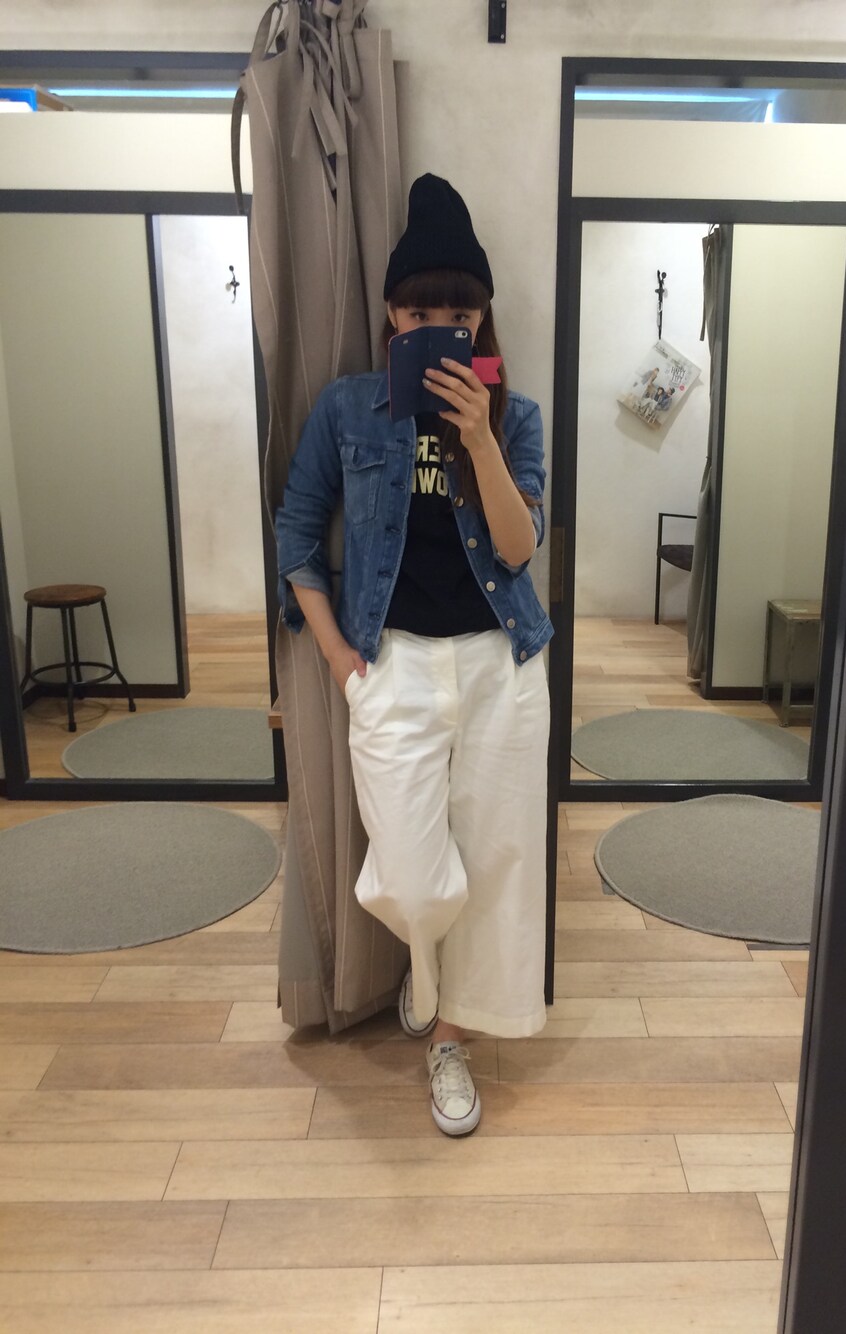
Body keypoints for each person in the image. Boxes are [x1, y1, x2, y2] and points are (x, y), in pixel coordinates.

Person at [274, 175, 553, 1137]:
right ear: (392, 314)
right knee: (411, 875)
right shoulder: (349, 409)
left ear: (482, 320)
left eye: (458, 314)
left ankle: (450, 1038)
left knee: (498, 864)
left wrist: (479, 439)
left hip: (500, 663)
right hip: (390, 663)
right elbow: (297, 534)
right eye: (419, 312)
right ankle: (428, 974)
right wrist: (339, 659)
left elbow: (517, 550)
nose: (438, 327)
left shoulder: (514, 417)